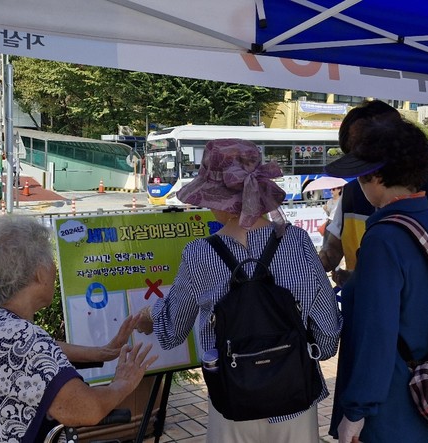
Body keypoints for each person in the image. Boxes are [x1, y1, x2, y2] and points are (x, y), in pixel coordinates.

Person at [134, 138, 341, 443]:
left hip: (231, 399)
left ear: (217, 200)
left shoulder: (198, 254)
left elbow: (172, 332)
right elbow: (326, 337)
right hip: (295, 398)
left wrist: (150, 316)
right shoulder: (298, 242)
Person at [0, 216, 158, 442]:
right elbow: (87, 409)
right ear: (39, 272)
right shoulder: (22, 339)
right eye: (51, 261)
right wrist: (122, 383)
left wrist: (101, 353)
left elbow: (37, 350)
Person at [324, 112, 428, 443]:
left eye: (360, 175)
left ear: (377, 177)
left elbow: (377, 334)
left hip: (395, 401)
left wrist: (356, 411)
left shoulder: (383, 238)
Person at [318, 100, 428, 286]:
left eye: (364, 152)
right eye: (353, 155)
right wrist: (323, 259)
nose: (361, 171)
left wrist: (364, 281)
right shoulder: (351, 193)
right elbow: (333, 246)